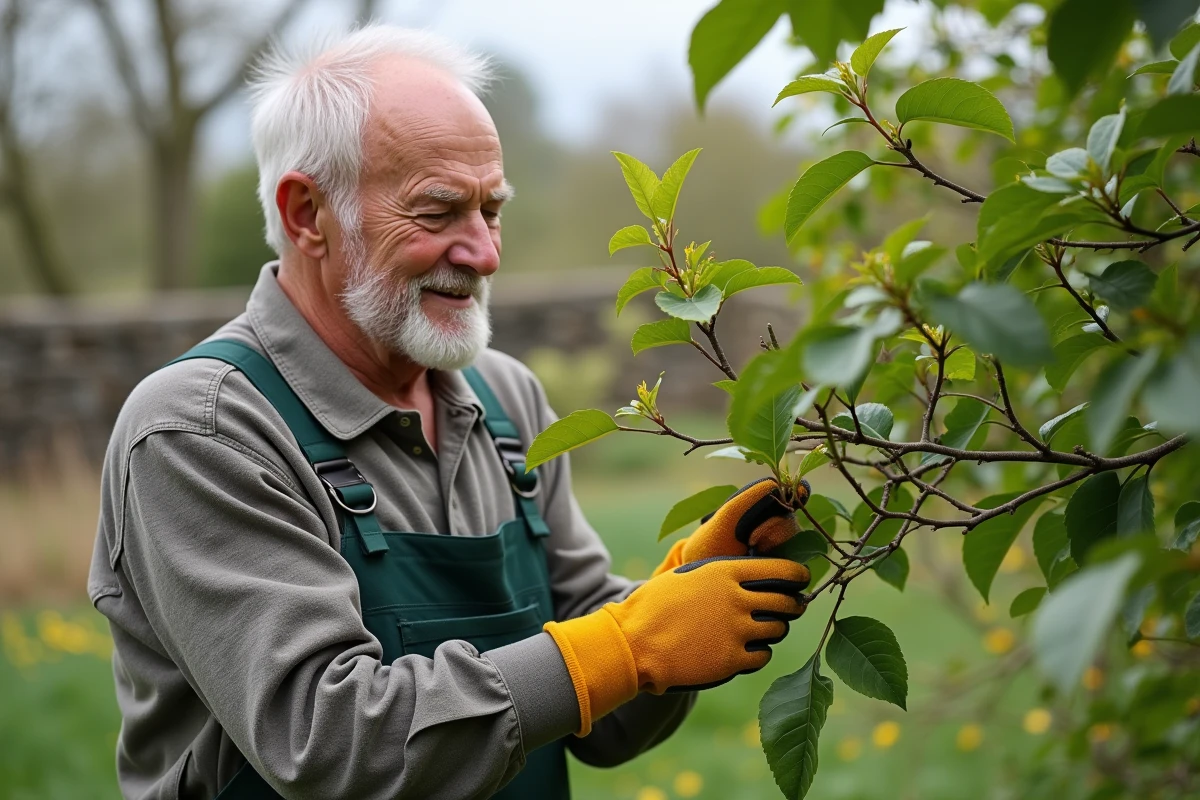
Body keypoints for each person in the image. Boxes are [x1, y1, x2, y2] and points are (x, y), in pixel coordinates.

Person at [87, 24, 810, 800]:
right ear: (307, 214)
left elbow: (604, 722)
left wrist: (683, 594)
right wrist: (626, 643)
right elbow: (327, 742)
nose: (484, 253)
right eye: (438, 212)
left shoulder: (506, 401)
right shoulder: (200, 430)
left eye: (491, 210)